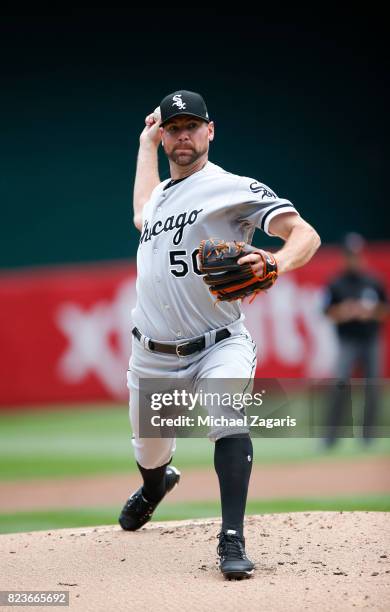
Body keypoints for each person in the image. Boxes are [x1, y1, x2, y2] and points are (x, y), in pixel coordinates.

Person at [119, 90, 321, 579]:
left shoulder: (232, 187)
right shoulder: (163, 197)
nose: (182, 134)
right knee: (149, 450)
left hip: (219, 342)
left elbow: (305, 236)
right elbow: (140, 213)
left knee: (224, 411)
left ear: (210, 131)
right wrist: (145, 145)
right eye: (173, 128)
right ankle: (154, 486)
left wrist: (275, 260)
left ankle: (231, 538)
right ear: (164, 136)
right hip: (153, 352)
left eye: (192, 125)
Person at [323, 233, 388, 447]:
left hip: (371, 340)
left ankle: (368, 437)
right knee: (340, 384)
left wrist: (369, 312)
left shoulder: (373, 281)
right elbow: (327, 312)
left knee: (372, 388)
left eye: (357, 255)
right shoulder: (336, 283)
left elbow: (385, 310)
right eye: (350, 255)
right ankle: (331, 437)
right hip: (348, 341)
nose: (354, 259)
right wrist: (345, 311)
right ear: (345, 257)